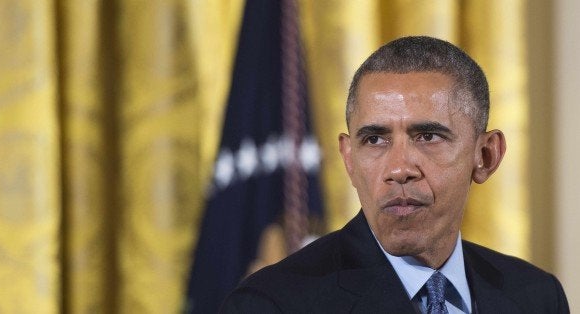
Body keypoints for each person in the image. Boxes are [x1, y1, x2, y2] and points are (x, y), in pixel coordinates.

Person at [220, 36, 569, 313]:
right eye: (374, 139)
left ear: (486, 155)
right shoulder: (271, 304)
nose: (399, 169)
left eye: (428, 136)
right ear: (349, 158)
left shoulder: (536, 297)